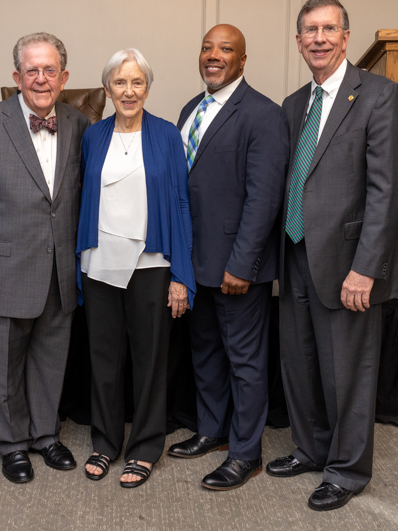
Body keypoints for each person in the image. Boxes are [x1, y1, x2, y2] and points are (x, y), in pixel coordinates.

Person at [268, 0, 398, 511]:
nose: (320, 38)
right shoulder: (291, 105)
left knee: (347, 372)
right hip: (295, 254)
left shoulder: (378, 96)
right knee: (301, 364)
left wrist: (365, 269)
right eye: (310, 30)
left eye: (329, 29)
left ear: (346, 38)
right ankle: (310, 448)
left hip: (349, 264)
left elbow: (386, 191)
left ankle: (347, 471)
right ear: (299, 40)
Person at [0, 32, 89, 484]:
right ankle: (12, 444)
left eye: (50, 70)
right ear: (16, 77)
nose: (41, 78)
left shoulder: (80, 124)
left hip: (61, 269)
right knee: (3, 364)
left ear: (64, 77)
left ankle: (46, 436)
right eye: (31, 70)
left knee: (52, 359)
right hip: (3, 269)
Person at [167, 25, 289, 490]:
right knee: (207, 354)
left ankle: (245, 453)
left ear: (242, 61)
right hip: (196, 266)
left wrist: (243, 264)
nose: (213, 56)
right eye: (207, 48)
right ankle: (213, 430)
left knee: (245, 361)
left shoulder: (262, 114)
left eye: (225, 50)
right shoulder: (189, 110)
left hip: (236, 267)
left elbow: (264, 198)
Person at [77, 49, 196, 488]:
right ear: (107, 89)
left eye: (137, 83)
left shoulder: (167, 135)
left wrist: (182, 274)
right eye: (120, 83)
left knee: (150, 361)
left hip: (152, 264)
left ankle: (145, 447)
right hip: (100, 262)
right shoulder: (93, 136)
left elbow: (183, 205)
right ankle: (105, 443)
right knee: (103, 358)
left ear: (148, 88)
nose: (128, 91)